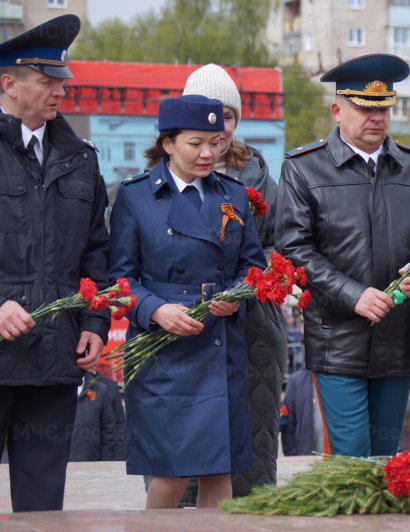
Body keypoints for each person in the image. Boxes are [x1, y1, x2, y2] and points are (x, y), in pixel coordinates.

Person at [275, 54, 410, 457]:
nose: (377, 117)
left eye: (383, 108)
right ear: (337, 110)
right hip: (337, 339)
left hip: (398, 337)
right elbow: (293, 249)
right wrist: (353, 294)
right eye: (365, 107)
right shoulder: (305, 169)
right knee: (352, 456)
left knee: (387, 456)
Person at [108, 94, 266, 509]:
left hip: (220, 344)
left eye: (216, 142)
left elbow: (254, 270)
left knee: (220, 470)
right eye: (195, 143)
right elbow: (120, 279)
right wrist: (155, 309)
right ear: (168, 144)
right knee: (171, 469)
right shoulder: (136, 196)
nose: (209, 153)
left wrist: (237, 299)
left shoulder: (233, 194)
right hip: (165, 352)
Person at [0, 15, 111, 512]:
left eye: (61, 82)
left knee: (43, 507)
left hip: (54, 360)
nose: (59, 92)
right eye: (46, 82)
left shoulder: (79, 157)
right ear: (8, 84)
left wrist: (94, 322)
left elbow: (96, 252)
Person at [183, 62, 288, 498]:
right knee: (184, 451)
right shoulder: (160, 178)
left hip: (252, 329)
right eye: (206, 112)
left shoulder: (261, 178)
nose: (217, 125)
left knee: (249, 451)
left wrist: (247, 283)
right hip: (185, 324)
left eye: (226, 115)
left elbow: (282, 248)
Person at [69, 370, 123, 461]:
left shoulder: (100, 389)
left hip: (91, 464)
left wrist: (105, 465)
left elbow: (110, 432)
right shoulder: (52, 388)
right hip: (57, 467)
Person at [281, 368, 322, 456]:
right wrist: (292, 457)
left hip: (338, 461)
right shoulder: (296, 380)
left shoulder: (341, 378)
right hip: (305, 457)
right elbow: (289, 425)